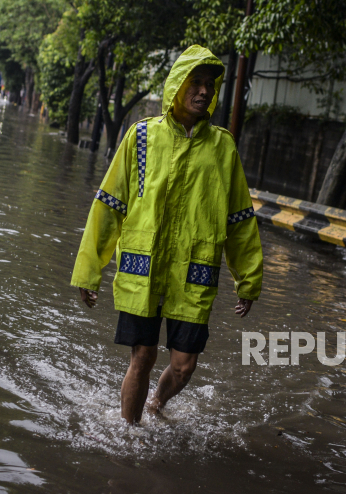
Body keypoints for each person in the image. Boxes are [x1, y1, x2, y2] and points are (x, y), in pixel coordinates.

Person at [71, 45, 263, 424]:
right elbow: (109, 205)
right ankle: (129, 433)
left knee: (184, 365)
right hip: (143, 269)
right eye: (197, 82)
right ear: (178, 86)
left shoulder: (222, 146)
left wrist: (248, 278)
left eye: (210, 85)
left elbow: (240, 219)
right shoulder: (141, 137)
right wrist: (89, 270)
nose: (205, 91)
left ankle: (157, 403)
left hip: (193, 273)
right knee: (142, 356)